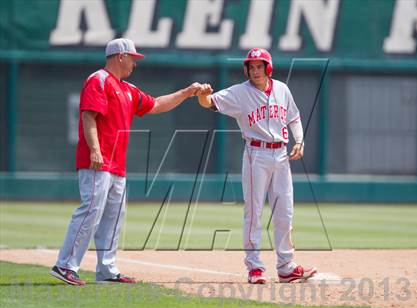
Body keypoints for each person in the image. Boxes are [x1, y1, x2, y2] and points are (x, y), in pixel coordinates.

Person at [50, 38, 204, 285]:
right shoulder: (98, 80)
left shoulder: (128, 89)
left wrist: (186, 93)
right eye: (132, 58)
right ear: (120, 56)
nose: (135, 62)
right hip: (97, 162)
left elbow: (157, 104)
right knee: (91, 211)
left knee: (113, 216)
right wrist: (95, 150)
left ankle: (107, 270)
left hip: (117, 165)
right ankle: (65, 265)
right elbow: (88, 116)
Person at [197, 48, 317, 284]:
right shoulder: (240, 93)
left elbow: (294, 117)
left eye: (259, 66)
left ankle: (286, 266)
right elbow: (209, 103)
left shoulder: (282, 89)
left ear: (268, 67)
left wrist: (300, 141)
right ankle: (255, 268)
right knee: (254, 213)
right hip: (256, 154)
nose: (254, 70)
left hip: (281, 155)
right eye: (251, 66)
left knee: (285, 212)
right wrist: (202, 94)